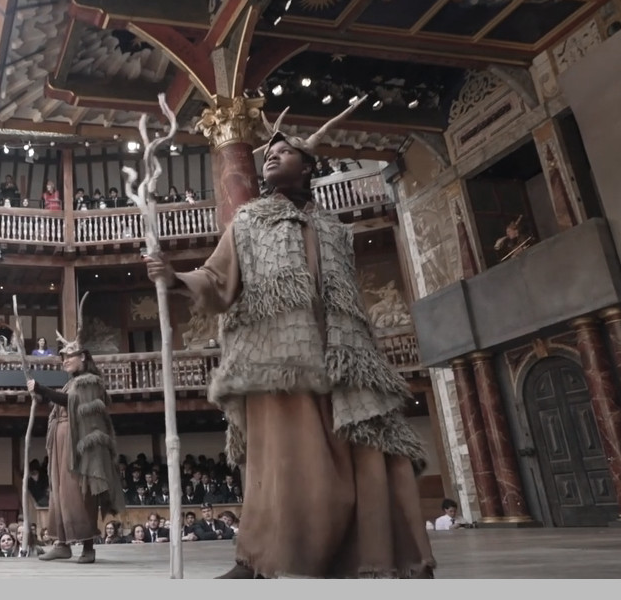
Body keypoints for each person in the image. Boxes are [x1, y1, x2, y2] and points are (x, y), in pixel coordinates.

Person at [145, 98, 434, 579]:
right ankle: (262, 558)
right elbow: (216, 279)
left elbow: (350, 297)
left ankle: (380, 555)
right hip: (276, 358)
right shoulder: (248, 221)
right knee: (282, 461)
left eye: (286, 152)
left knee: (365, 451)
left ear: (308, 166)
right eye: (269, 154)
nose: (273, 156)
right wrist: (175, 278)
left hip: (343, 356)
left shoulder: (334, 229)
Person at [25, 299, 126, 564]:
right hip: (60, 439)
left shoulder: (90, 382)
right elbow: (61, 403)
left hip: (77, 442)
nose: (65, 361)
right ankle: (61, 544)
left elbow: (72, 404)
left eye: (69, 356)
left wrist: (42, 390)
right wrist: (40, 396)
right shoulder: (70, 383)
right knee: (58, 493)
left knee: (79, 493)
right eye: (63, 357)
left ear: (83, 357)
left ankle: (88, 547)